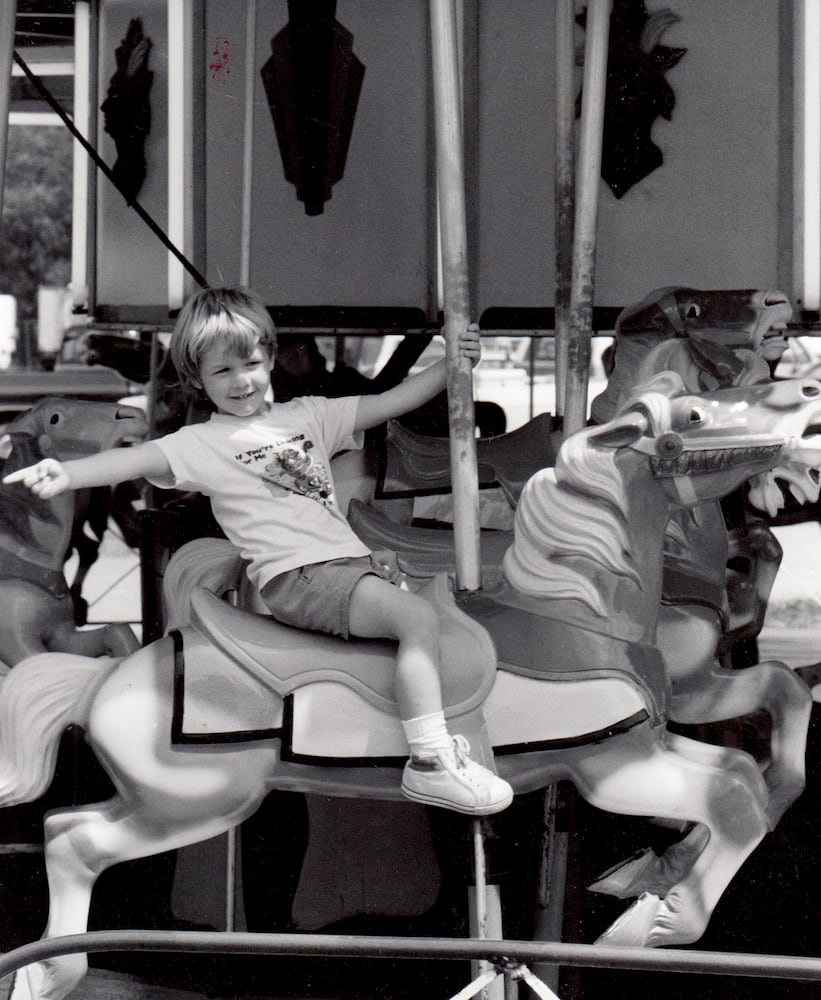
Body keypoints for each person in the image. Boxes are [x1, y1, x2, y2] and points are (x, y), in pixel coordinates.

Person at [5, 286, 513, 817]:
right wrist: (67, 472)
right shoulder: (200, 443)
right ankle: (430, 759)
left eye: (250, 362)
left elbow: (391, 402)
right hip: (301, 578)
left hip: (344, 565)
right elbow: (133, 462)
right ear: (199, 380)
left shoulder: (310, 416)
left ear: (270, 357)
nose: (241, 380)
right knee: (417, 621)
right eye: (223, 372)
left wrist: (455, 366)